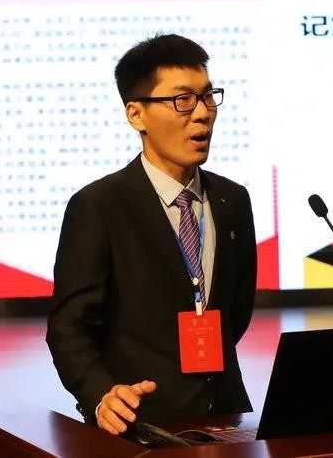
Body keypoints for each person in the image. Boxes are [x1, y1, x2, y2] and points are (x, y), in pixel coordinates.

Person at [46, 34, 257, 436]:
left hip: (228, 420)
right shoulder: (99, 206)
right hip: (142, 423)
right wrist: (100, 395)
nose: (203, 114)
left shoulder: (232, 199)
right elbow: (69, 327)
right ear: (136, 114)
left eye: (208, 96)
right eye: (183, 100)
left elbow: (237, 312)